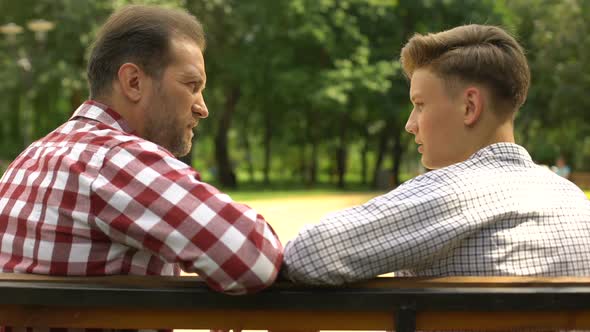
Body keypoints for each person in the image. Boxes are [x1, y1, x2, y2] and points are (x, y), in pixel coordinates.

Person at [0, 4, 283, 298]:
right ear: (133, 82)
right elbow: (254, 256)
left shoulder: (30, 158)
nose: (203, 108)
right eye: (191, 84)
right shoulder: (112, 160)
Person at [282, 24, 590, 284]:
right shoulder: (574, 200)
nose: (410, 125)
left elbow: (307, 254)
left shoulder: (449, 192)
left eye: (419, 104)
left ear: (469, 107)